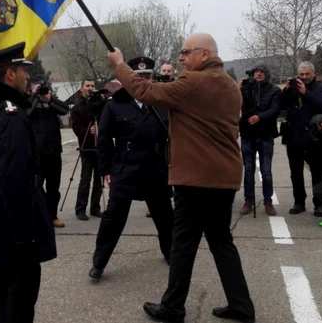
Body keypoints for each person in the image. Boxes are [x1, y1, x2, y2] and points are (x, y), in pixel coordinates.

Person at [107, 33, 256, 323]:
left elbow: (146, 92)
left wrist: (120, 65)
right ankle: (241, 305)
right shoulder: (228, 84)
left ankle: (173, 307)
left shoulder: (195, 82)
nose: (180, 58)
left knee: (183, 243)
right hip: (223, 176)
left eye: (186, 52)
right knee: (221, 241)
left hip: (196, 178)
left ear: (204, 53)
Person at [0, 42, 56, 323]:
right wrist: (24, 230)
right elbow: (15, 176)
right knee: (21, 289)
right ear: (9, 75)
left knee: (3, 281)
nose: (27, 77)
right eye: (23, 71)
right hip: (12, 214)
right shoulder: (10, 115)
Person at [89, 56, 174, 279]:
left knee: (165, 216)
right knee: (113, 217)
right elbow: (105, 140)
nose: (144, 79)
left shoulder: (160, 101)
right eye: (139, 76)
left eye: (147, 76)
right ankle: (99, 262)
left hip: (156, 167)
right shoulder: (115, 104)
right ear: (130, 78)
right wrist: (105, 170)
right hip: (126, 167)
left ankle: (171, 253)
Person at [280, 61, 322, 217]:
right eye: (301, 74)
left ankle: (319, 204)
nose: (304, 77)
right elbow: (281, 105)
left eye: (307, 74)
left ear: (314, 74)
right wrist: (287, 90)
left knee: (317, 172)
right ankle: (299, 202)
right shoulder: (294, 87)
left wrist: (305, 93)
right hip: (293, 136)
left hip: (313, 136)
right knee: (295, 172)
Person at [26, 75, 70, 228]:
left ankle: (52, 216)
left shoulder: (51, 99)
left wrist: (49, 99)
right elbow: (25, 114)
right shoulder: (28, 99)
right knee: (36, 187)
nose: (41, 88)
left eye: (43, 85)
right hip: (37, 153)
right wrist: (34, 96)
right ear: (32, 85)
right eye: (38, 85)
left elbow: (65, 110)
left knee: (54, 187)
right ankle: (38, 217)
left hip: (53, 151)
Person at [238, 63, 281, 216]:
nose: (258, 74)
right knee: (248, 171)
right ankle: (248, 201)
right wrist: (237, 91)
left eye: (261, 71)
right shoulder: (244, 89)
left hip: (265, 135)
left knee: (266, 171)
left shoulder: (274, 90)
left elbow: (275, 110)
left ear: (266, 74)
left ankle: (268, 202)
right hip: (247, 135)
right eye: (256, 72)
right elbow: (235, 107)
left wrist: (260, 117)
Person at [70, 79, 104, 220]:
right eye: (87, 86)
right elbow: (76, 127)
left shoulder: (101, 105)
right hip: (87, 147)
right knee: (85, 180)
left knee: (99, 180)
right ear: (82, 88)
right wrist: (88, 131)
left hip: (101, 147)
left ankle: (95, 207)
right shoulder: (77, 108)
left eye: (92, 86)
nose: (90, 88)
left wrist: (103, 100)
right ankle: (80, 208)